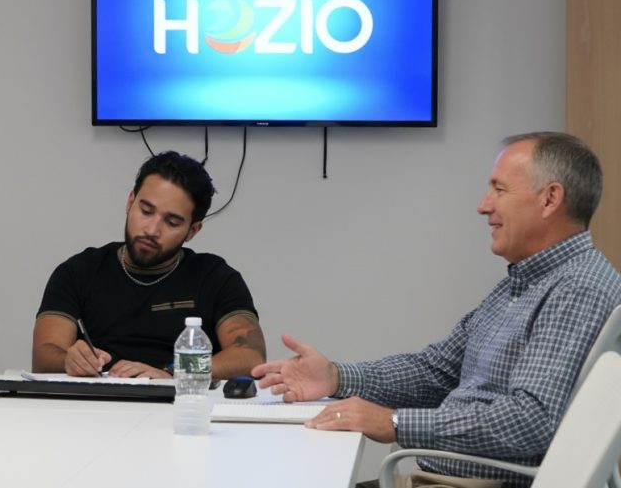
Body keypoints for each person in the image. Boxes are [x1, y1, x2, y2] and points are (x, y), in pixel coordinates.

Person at [252, 132, 621, 488]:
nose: (484, 205)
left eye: (499, 189)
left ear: (550, 198)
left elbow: (529, 420)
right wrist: (336, 377)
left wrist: (395, 422)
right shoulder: (524, 281)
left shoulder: (577, 288)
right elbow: (437, 371)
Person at [32, 151, 266, 380]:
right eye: (146, 211)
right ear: (130, 202)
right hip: (97, 405)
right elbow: (44, 355)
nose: (152, 230)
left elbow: (250, 357)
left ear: (192, 231)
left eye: (172, 222)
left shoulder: (216, 277)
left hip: (179, 405)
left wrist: (174, 371)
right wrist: (69, 360)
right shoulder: (78, 271)